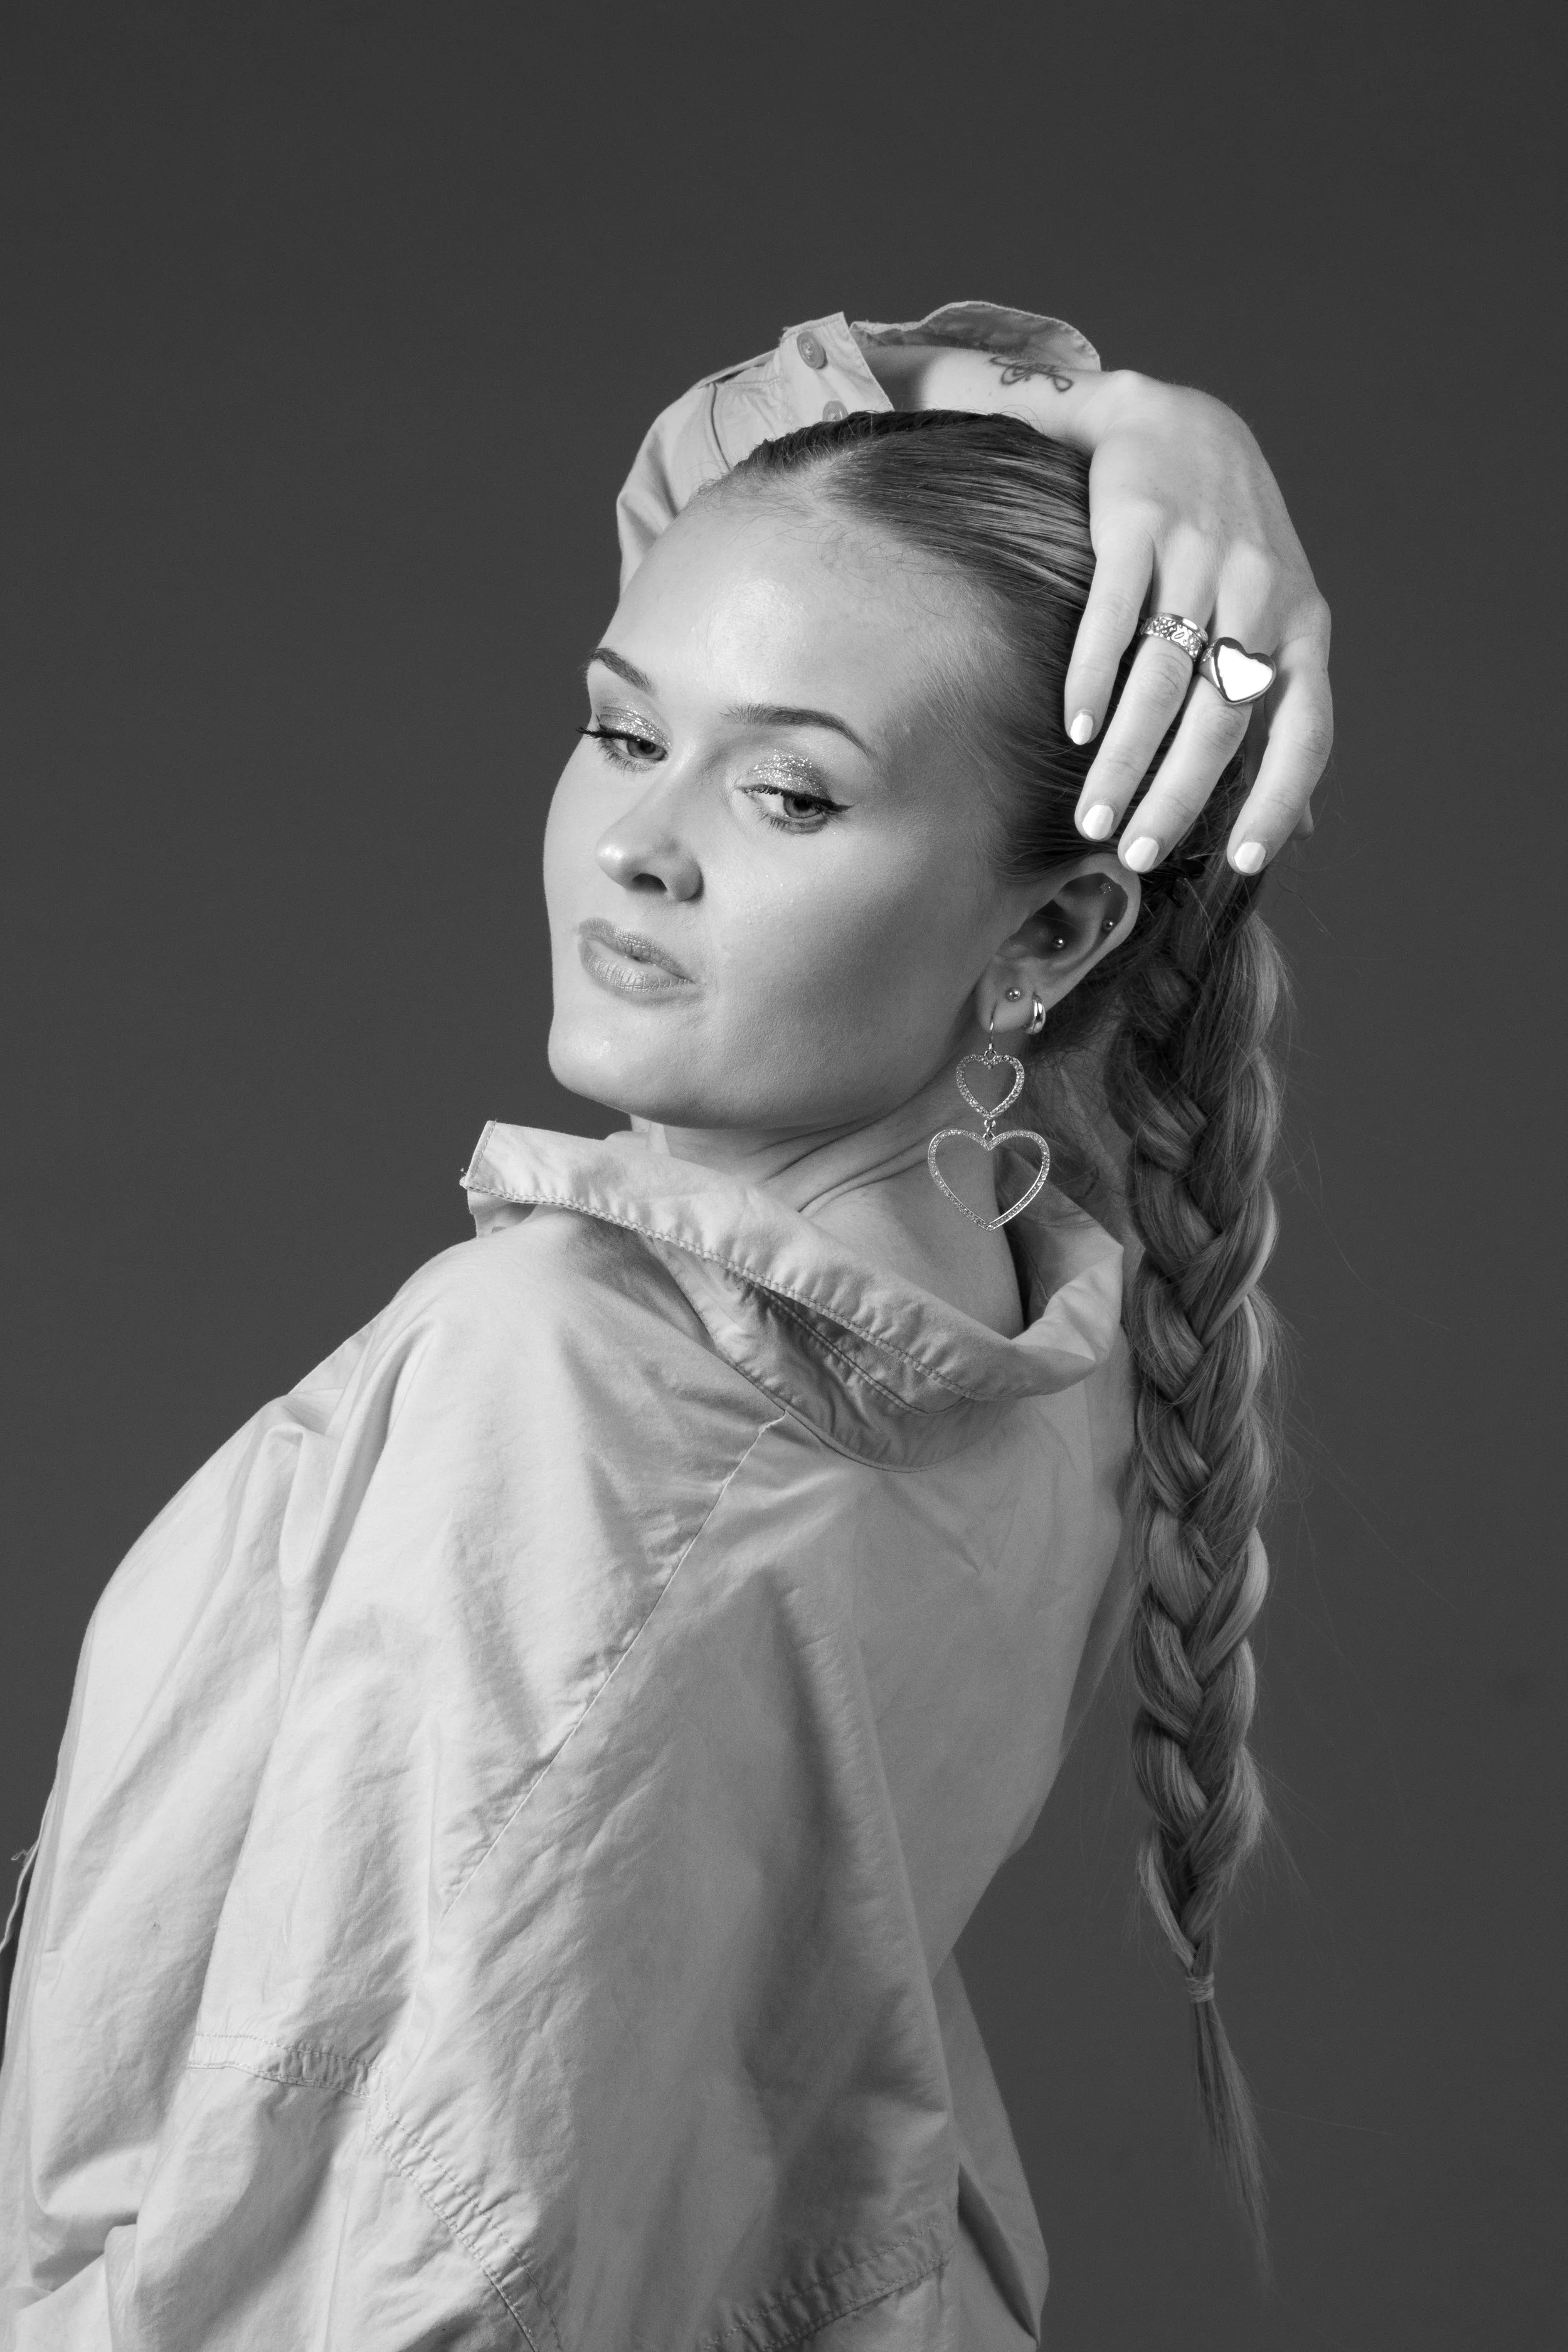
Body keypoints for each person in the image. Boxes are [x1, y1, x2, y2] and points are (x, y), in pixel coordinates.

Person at [0, 303, 1327, 2348]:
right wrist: (1146, 428)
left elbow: (416, 2248)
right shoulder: (1050, 1335)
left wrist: (1126, 444)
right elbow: (772, 501)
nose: (636, 845)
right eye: (625, 729)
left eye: (789, 801)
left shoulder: (569, 1373)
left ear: (1051, 930)